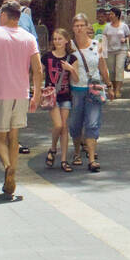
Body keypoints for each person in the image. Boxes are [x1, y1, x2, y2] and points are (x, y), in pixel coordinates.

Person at [0, 0, 43, 196]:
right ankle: (13, 175)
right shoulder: (29, 38)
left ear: (3, 15)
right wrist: (37, 93)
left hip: (1, 91)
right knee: (14, 138)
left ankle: (8, 166)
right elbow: (38, 69)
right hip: (21, 92)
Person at [69, 12, 114, 171]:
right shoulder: (70, 46)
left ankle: (92, 159)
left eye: (82, 25)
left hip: (94, 88)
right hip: (76, 90)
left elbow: (102, 65)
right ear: (73, 28)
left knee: (93, 123)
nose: (79, 28)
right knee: (75, 123)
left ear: (88, 26)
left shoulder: (96, 44)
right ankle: (76, 151)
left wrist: (109, 84)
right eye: (76, 26)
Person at [41, 27, 76, 171]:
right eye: (55, 39)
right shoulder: (47, 57)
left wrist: (71, 69)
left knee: (64, 127)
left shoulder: (72, 58)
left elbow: (76, 78)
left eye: (60, 39)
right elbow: (38, 73)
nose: (57, 42)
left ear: (67, 40)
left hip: (66, 95)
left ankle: (63, 160)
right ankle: (53, 147)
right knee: (58, 125)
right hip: (51, 96)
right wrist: (37, 91)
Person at [101, 6, 130, 95]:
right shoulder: (107, 26)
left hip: (121, 50)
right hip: (110, 51)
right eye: (109, 14)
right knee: (112, 71)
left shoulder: (124, 26)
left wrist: (125, 39)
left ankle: (118, 90)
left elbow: (129, 35)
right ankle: (113, 88)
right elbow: (104, 38)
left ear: (117, 16)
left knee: (119, 68)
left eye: (112, 14)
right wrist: (102, 49)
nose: (110, 16)